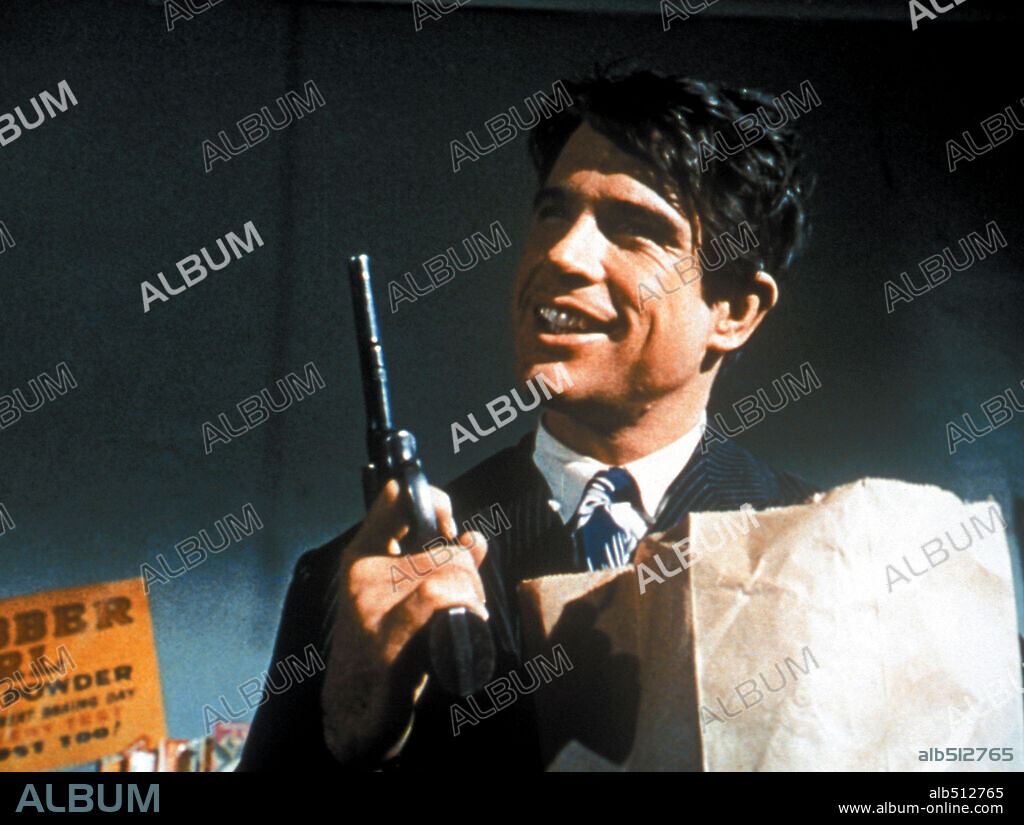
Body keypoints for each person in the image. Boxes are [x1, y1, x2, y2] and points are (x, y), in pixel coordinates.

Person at [238, 67, 817, 771]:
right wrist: (354, 731)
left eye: (636, 229)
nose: (562, 254)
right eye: (553, 212)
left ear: (734, 312)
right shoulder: (345, 583)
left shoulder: (818, 553)